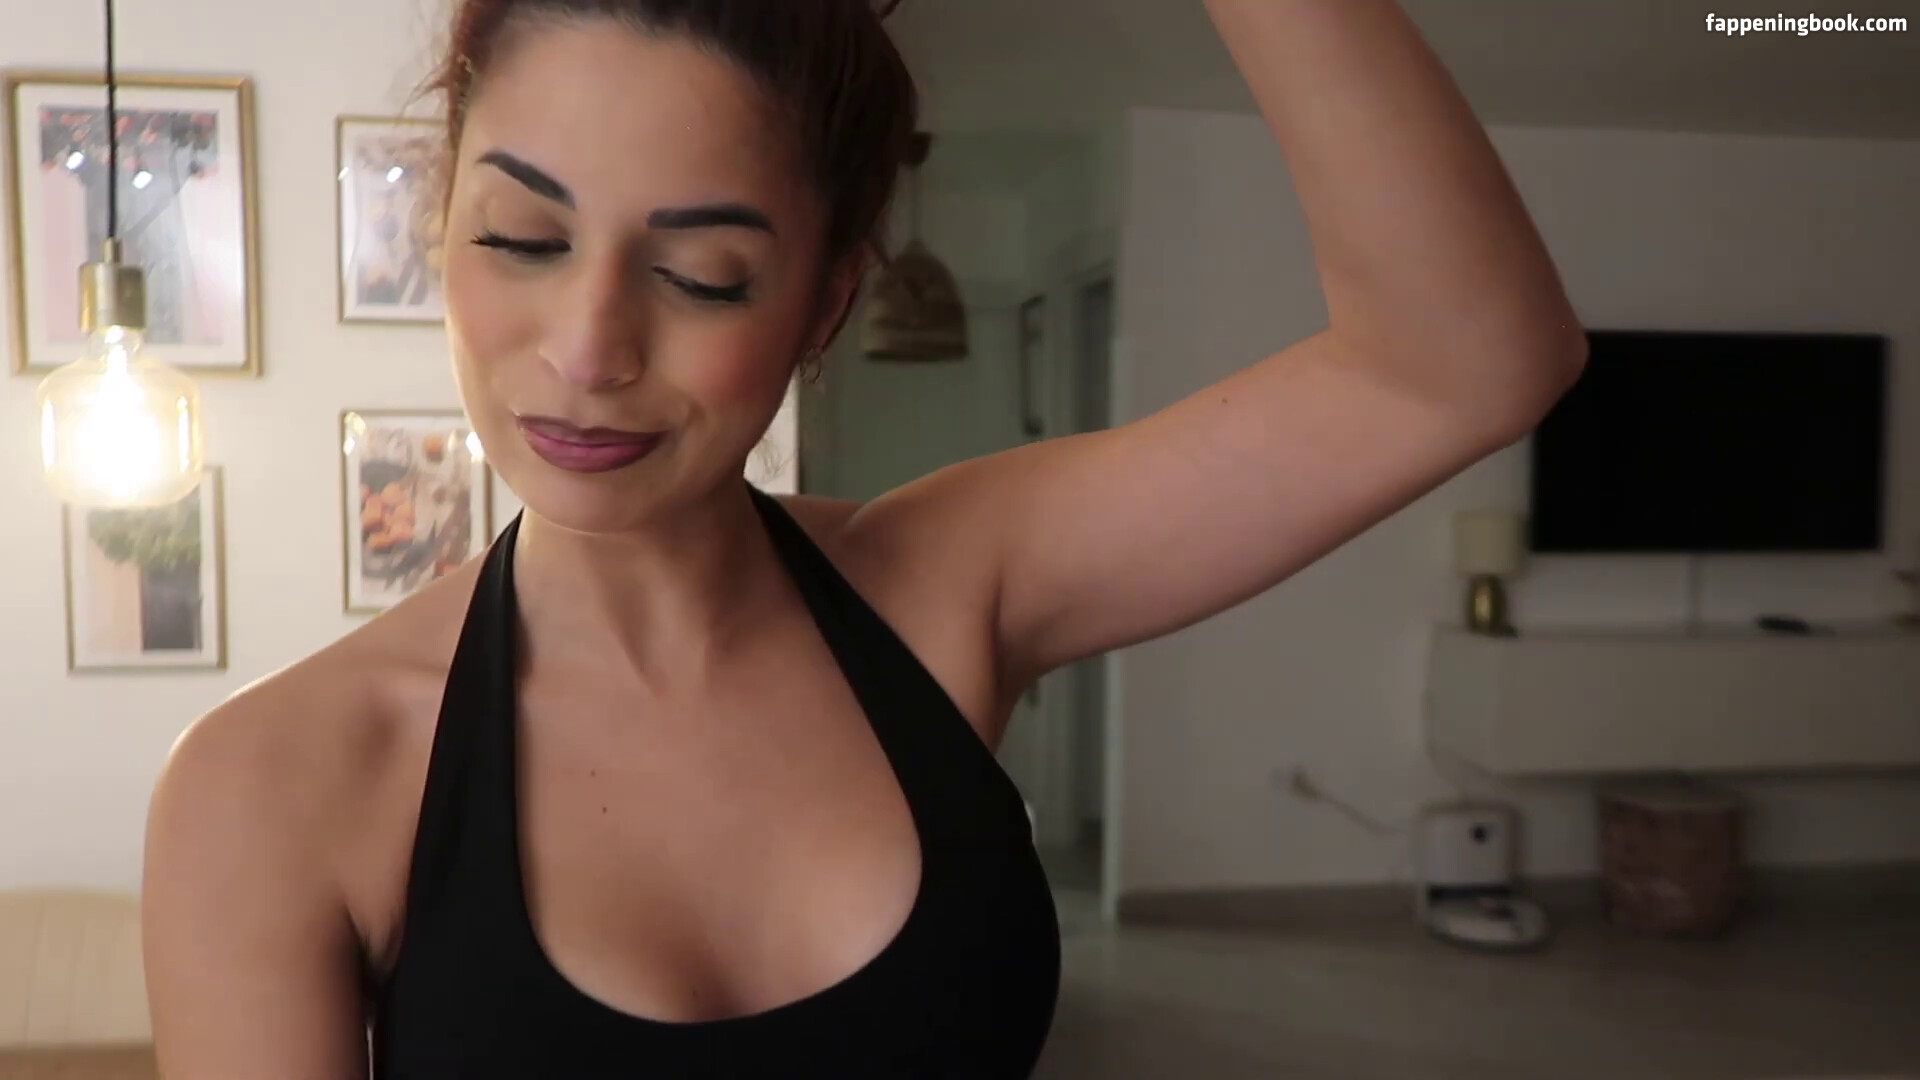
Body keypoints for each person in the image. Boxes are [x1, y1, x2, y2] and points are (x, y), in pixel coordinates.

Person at [139, 0, 1586, 1075]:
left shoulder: (944, 585)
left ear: (825, 306)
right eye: (521, 238)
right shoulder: (273, 787)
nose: (587, 350)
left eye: (704, 275)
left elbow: (1463, 363)